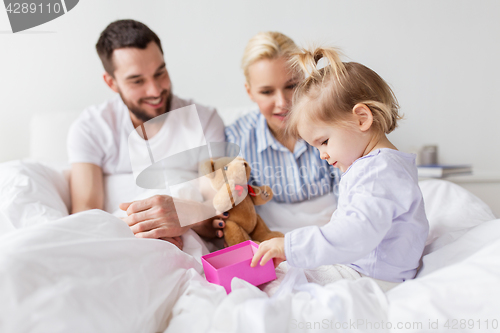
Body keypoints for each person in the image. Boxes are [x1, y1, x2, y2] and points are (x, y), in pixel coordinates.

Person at [251, 46, 429, 289]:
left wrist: (290, 246)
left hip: (373, 277)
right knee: (289, 274)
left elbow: (354, 234)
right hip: (366, 268)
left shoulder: (378, 173)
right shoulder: (378, 165)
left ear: (362, 119)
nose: (322, 155)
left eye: (323, 142)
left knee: (283, 286)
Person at [67, 20, 227, 249]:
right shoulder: (91, 128)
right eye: (137, 81)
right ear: (111, 82)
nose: (155, 90)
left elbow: (216, 208)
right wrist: (143, 227)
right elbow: (84, 216)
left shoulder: (204, 121)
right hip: (118, 244)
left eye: (160, 73)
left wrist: (184, 215)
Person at [225, 32, 340, 210]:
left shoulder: (333, 125)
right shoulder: (236, 140)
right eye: (267, 92)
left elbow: (351, 197)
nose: (282, 103)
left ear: (304, 79)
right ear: (250, 92)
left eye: (291, 86)